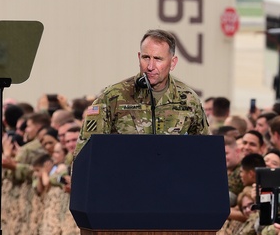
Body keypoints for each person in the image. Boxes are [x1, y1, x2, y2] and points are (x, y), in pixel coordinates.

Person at [76, 29, 208, 155]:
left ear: (173, 63)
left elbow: (204, 152)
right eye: (146, 57)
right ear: (139, 57)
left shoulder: (188, 99)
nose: (150, 66)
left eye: (158, 59)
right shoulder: (113, 97)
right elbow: (86, 152)